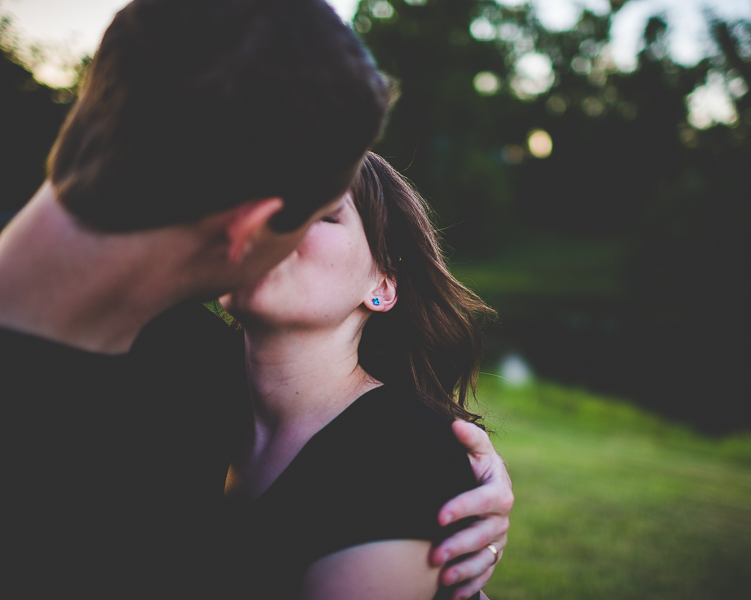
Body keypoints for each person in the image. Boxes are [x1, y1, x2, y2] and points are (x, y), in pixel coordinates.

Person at [0, 1, 511, 597]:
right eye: (313, 212)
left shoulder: (178, 361)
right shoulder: (172, 370)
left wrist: (442, 489)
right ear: (250, 230)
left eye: (329, 217)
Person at [220, 152, 501, 600]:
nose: (273, 223)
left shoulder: (411, 454)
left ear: (382, 286)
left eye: (324, 214)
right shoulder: (169, 384)